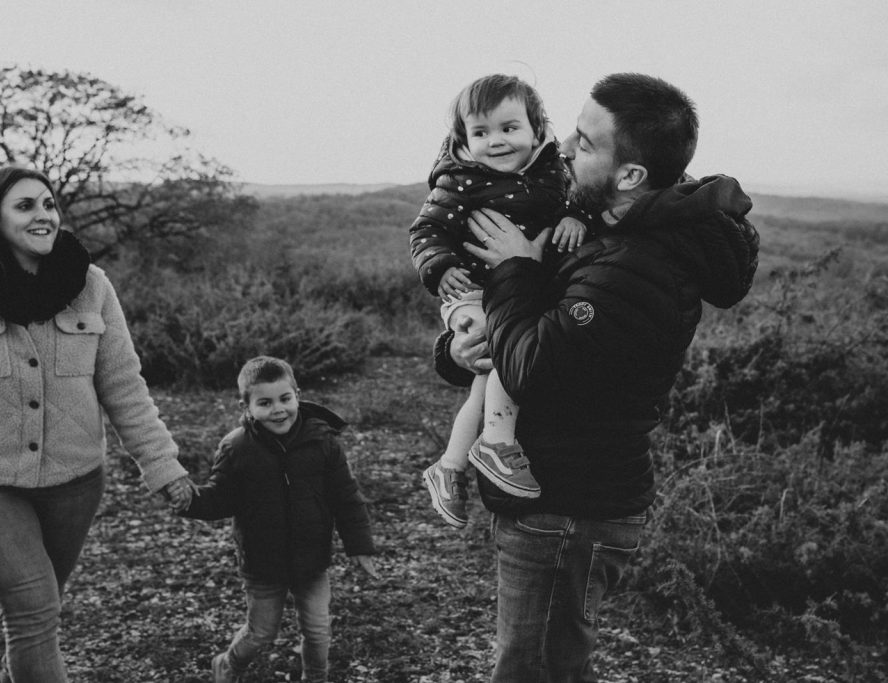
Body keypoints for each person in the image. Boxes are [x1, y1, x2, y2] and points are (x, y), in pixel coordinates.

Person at [435, 73, 760, 682]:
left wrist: (511, 269)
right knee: (549, 665)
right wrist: (458, 351)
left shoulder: (636, 266)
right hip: (559, 497)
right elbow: (524, 333)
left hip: (569, 505)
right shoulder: (607, 228)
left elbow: (533, 368)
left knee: (534, 672)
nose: (561, 150)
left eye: (584, 144)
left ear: (631, 174)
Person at [0, 167, 196, 683]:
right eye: (25, 206)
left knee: (41, 613)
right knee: (31, 613)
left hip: (75, 482)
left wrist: (162, 465)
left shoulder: (91, 286)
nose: (43, 216)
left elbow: (124, 385)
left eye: (49, 204)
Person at [409, 73, 591, 529]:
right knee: (496, 349)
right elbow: (425, 230)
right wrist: (439, 266)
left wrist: (574, 218)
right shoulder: (461, 180)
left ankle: (450, 466)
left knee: (489, 372)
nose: (495, 142)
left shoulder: (554, 172)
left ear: (536, 130)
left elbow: (574, 200)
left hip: (516, 290)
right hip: (468, 288)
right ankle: (495, 442)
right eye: (481, 132)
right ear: (464, 139)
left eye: (509, 128)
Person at [175, 356, 377, 683]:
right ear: (246, 406)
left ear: (297, 393)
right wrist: (188, 500)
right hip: (262, 562)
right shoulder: (237, 447)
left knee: (318, 630)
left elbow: (347, 497)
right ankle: (227, 666)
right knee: (260, 633)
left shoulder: (322, 441)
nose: (278, 409)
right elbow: (219, 498)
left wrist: (360, 546)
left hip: (311, 559)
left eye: (285, 399)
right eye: (265, 403)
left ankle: (316, 677)